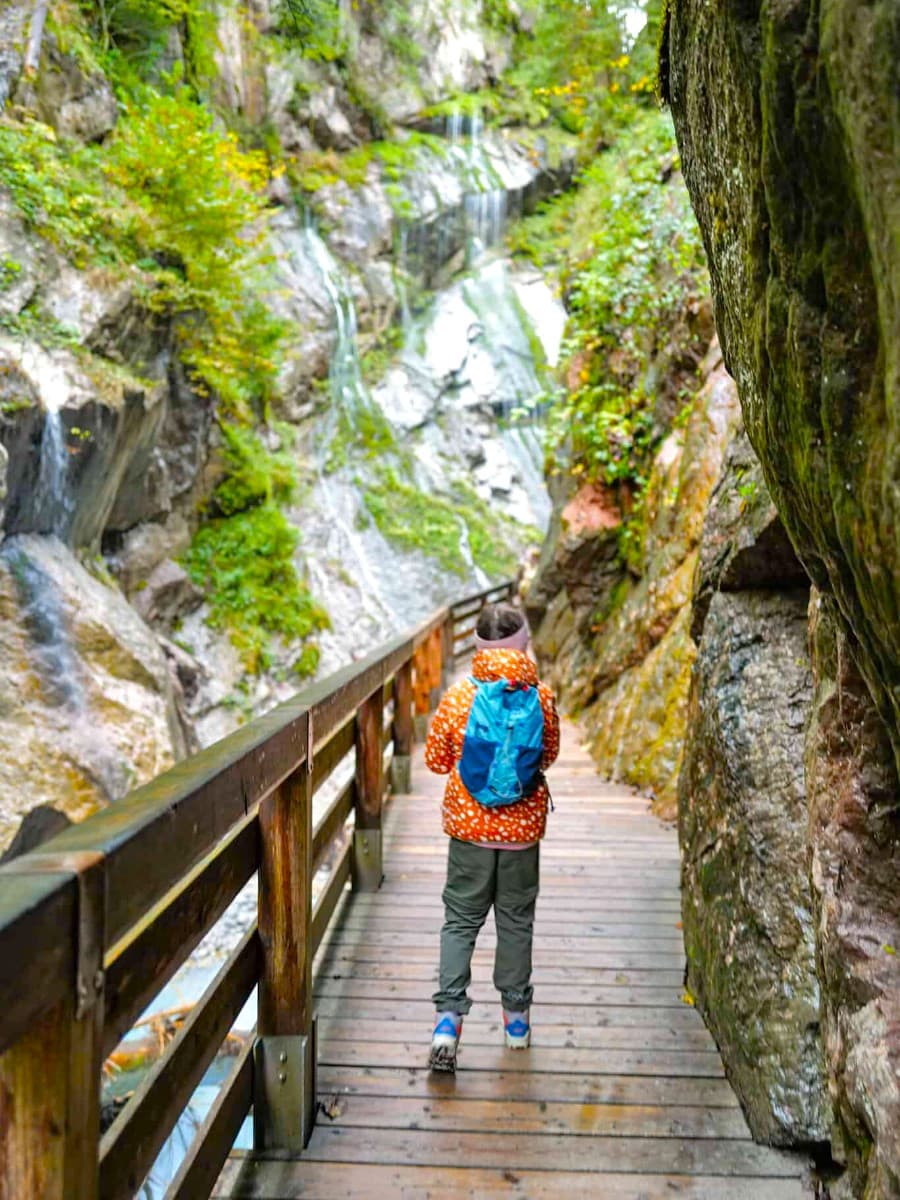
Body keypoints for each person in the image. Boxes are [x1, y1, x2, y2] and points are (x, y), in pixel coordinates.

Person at [424, 601, 560, 1072]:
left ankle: (447, 1023)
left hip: (469, 833)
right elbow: (548, 755)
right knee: (516, 923)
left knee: (461, 923)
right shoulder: (541, 696)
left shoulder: (460, 696)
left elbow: (436, 761)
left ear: (479, 646)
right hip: (522, 834)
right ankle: (517, 1024)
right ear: (523, 643)